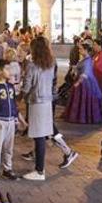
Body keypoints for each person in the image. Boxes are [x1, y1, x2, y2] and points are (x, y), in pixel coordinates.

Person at [21, 36, 78, 180]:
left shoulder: (32, 66)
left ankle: (40, 170)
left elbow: (27, 85)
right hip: (47, 100)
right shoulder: (51, 63)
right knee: (47, 131)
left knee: (40, 135)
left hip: (37, 101)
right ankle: (57, 154)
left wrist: (20, 94)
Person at [64, 41, 102, 124]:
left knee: (83, 100)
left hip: (85, 84)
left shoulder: (88, 60)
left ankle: (82, 117)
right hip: (83, 81)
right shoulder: (85, 59)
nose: (79, 51)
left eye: (81, 49)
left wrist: (78, 82)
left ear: (86, 50)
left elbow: (86, 73)